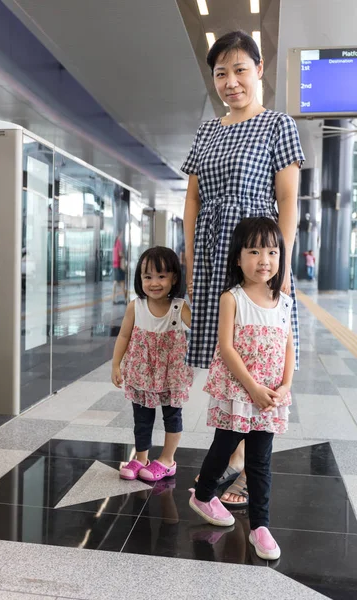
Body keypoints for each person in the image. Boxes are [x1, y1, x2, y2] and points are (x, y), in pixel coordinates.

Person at [181, 30, 304, 506]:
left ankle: (252, 464)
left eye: (239, 70)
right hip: (214, 254)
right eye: (220, 73)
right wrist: (192, 260)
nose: (230, 81)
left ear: (259, 71)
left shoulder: (278, 124)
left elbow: (288, 199)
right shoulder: (207, 130)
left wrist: (283, 265)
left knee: (262, 354)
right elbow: (192, 200)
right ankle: (232, 455)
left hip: (257, 255)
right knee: (226, 353)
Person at [189, 217, 294, 561]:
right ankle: (203, 494)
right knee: (224, 447)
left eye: (272, 251)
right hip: (239, 391)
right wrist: (252, 388)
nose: (264, 259)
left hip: (270, 396)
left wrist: (285, 385)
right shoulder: (232, 298)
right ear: (237, 258)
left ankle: (260, 526)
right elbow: (227, 348)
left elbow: (289, 344)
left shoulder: (284, 300)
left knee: (261, 462)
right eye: (254, 251)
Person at [111, 246, 193, 482]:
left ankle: (168, 460)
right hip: (141, 372)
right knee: (142, 418)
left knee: (172, 416)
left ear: (174, 278)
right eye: (148, 277)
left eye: (161, 276)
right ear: (140, 279)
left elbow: (199, 327)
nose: (154, 283)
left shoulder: (179, 307)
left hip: (171, 374)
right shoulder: (135, 306)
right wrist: (116, 365)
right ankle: (141, 457)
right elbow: (124, 336)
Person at [112, 231, 126, 304]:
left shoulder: (115, 244)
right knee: (122, 282)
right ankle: (125, 299)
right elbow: (120, 254)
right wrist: (124, 256)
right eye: (121, 234)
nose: (122, 236)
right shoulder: (118, 243)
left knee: (116, 282)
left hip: (115, 265)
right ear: (119, 235)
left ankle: (114, 299)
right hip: (119, 265)